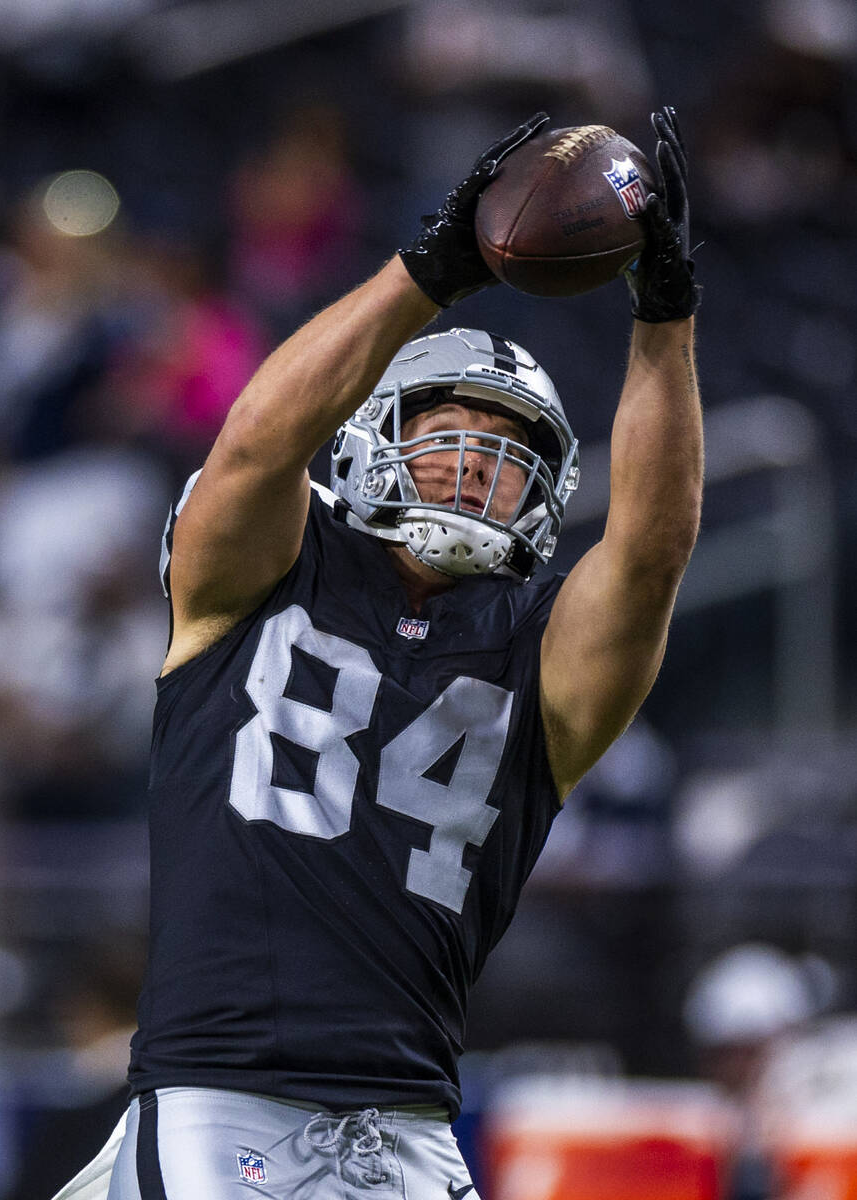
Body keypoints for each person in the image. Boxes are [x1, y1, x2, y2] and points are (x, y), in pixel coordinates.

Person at [53, 107, 702, 1200]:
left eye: (507, 453)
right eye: (446, 429)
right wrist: (433, 266)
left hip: (410, 1123)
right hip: (224, 1099)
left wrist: (666, 313)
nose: (473, 464)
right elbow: (257, 439)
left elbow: (648, 554)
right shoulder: (270, 564)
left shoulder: (536, 649)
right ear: (370, 437)